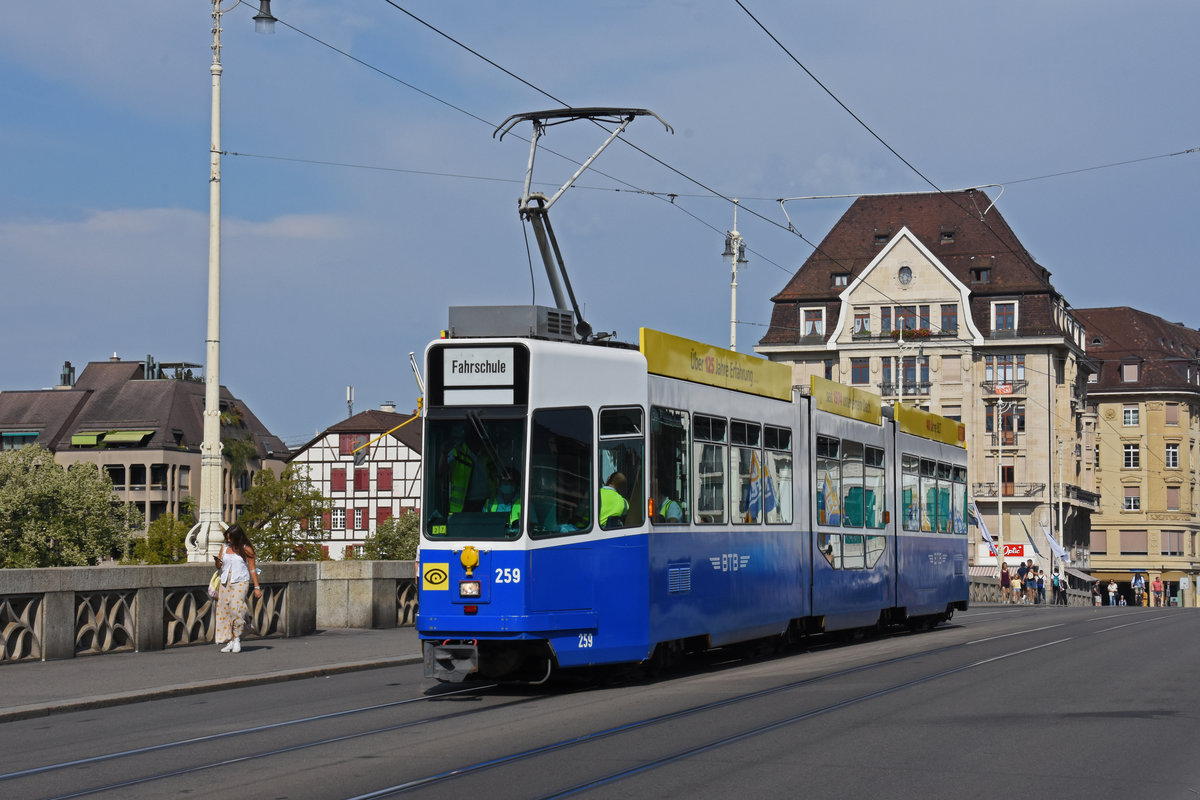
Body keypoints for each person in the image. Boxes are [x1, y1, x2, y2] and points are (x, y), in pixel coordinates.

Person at [213, 524, 261, 654]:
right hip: (225, 582)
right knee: (226, 611)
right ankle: (231, 640)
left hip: (240, 581)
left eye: (231, 538)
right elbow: (218, 566)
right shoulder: (224, 548)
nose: (228, 541)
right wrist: (218, 562)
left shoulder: (246, 549)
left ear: (238, 537)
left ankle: (237, 639)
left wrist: (257, 587)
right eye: (227, 538)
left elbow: (252, 569)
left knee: (236, 608)